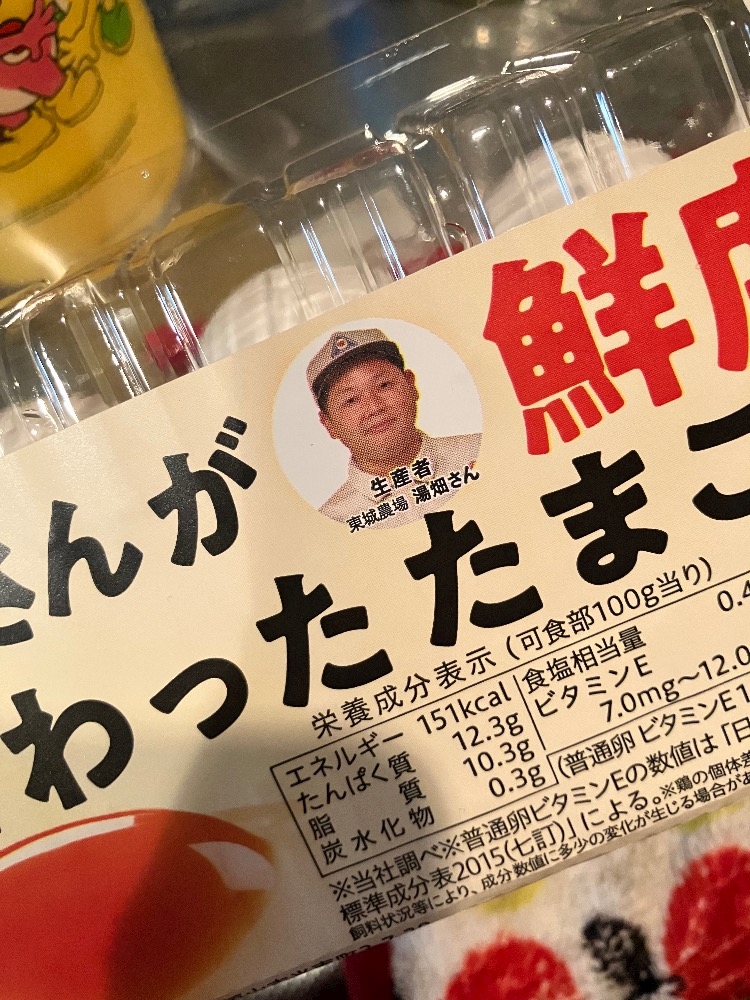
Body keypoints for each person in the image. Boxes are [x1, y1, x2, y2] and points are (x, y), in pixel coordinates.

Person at [306, 327, 481, 526]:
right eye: (351, 400)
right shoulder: (332, 523)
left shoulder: (481, 450)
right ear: (328, 424)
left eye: (383, 385)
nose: (374, 407)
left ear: (410, 385)